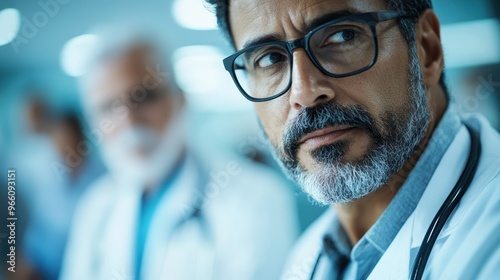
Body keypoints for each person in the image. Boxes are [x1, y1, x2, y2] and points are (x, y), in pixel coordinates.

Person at [206, 0, 500, 279]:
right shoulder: (306, 257)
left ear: (427, 48)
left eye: (342, 36)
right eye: (270, 58)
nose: (304, 94)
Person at [59, 30, 299, 280]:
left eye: (144, 98)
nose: (129, 122)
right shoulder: (95, 208)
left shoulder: (257, 200)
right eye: (108, 107)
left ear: (180, 99)